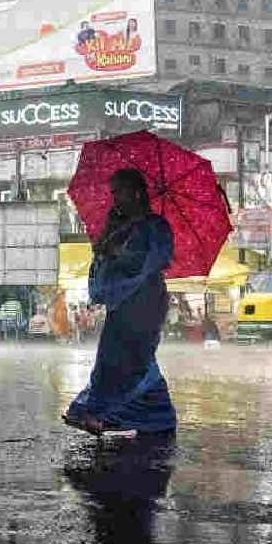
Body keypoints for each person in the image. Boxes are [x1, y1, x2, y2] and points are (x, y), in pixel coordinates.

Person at [63, 169, 177, 436]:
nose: (115, 199)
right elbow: (103, 260)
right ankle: (158, 414)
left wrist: (121, 254)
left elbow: (157, 260)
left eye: (119, 192)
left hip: (146, 300)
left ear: (136, 193)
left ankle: (103, 413)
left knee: (130, 357)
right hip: (121, 301)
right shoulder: (119, 227)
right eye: (113, 193)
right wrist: (107, 242)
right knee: (118, 357)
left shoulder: (156, 226)